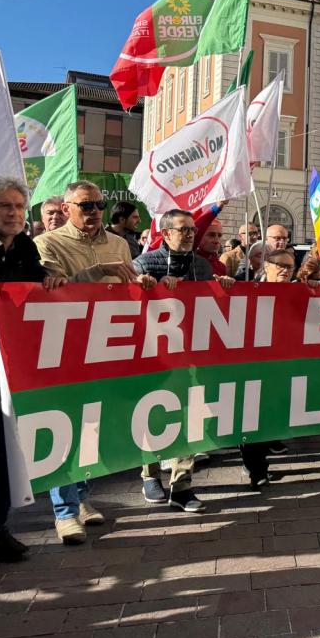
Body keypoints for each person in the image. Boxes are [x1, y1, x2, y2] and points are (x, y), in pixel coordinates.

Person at [35, 180, 153, 544]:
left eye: (99, 205)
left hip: (105, 347)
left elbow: (126, 288)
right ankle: (64, 513)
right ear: (66, 207)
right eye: (86, 205)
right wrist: (93, 273)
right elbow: (50, 288)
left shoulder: (119, 243)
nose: (94, 212)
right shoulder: (47, 243)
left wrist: (144, 283)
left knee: (92, 426)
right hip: (63, 349)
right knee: (63, 429)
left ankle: (82, 498)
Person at [0, 178, 67, 562]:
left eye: (18, 206)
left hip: (11, 368)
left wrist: (51, 281)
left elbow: (35, 289)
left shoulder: (27, 247)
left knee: (11, 453)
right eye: (4, 206)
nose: (14, 213)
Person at [131, 210, 234, 511]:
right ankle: (149, 474)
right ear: (165, 234)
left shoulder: (201, 266)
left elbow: (213, 305)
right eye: (182, 230)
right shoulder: (145, 262)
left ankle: (182, 484)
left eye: (191, 229)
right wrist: (145, 285)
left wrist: (223, 287)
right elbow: (125, 301)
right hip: (153, 355)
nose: (190, 234)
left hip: (191, 354)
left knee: (190, 417)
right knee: (154, 414)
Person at [240, 250, 300, 488]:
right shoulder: (247, 289)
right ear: (266, 266)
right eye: (280, 265)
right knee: (253, 417)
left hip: (282, 365)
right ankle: (256, 469)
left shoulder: (299, 292)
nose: (285, 270)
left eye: (290, 266)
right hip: (253, 365)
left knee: (271, 416)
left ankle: (256, 460)